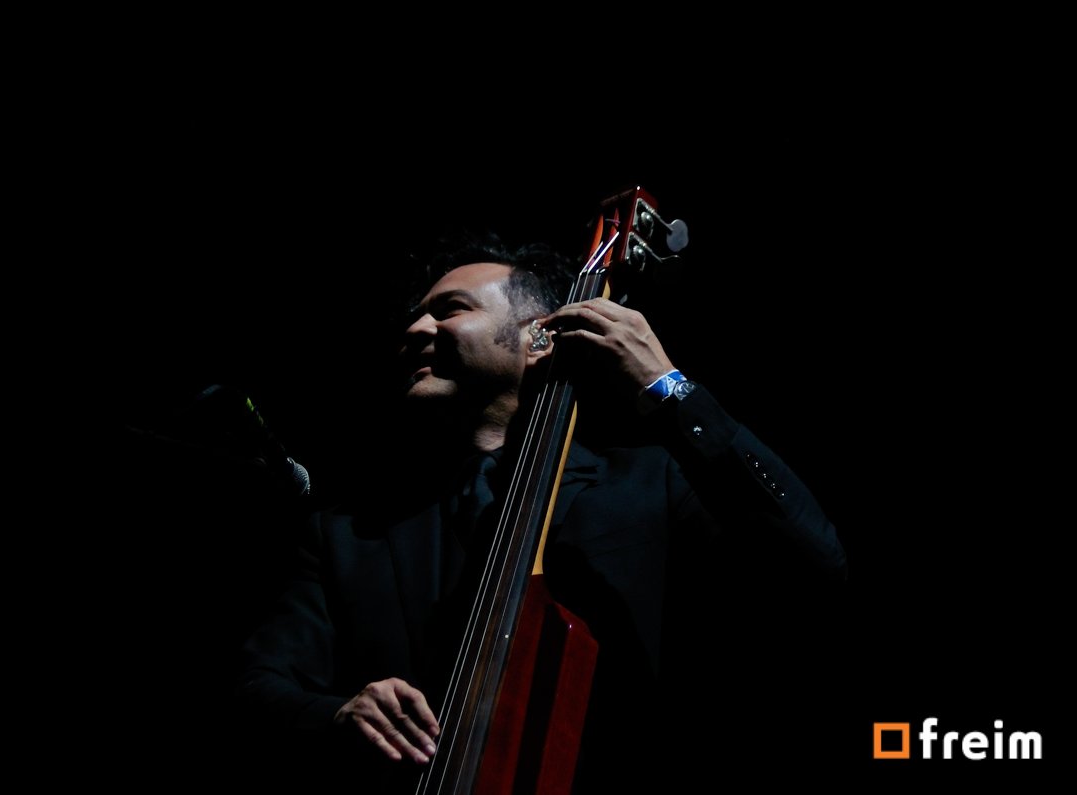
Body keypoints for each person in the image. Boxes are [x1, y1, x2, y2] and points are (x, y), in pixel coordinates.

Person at [236, 234, 847, 792]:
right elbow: (255, 688)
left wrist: (668, 388)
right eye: (416, 316)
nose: (416, 328)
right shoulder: (346, 532)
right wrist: (337, 714)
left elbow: (810, 564)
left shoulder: (650, 483)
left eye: (450, 310)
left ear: (541, 338)